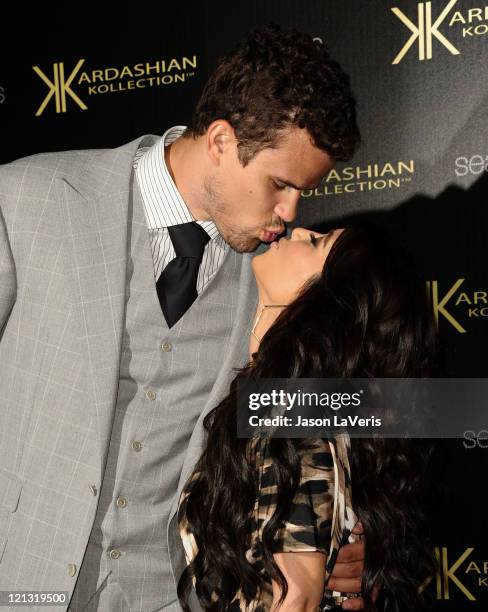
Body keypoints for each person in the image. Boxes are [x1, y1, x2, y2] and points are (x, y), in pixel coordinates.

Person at [0, 26, 364, 612]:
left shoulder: (272, 278)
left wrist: (331, 532)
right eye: (279, 184)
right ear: (221, 139)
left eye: (303, 192)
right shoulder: (28, 199)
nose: (291, 213)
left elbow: (325, 416)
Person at [177, 225, 438, 612]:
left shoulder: (297, 419)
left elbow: (294, 598)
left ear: (329, 304)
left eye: (317, 243)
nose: (297, 228)